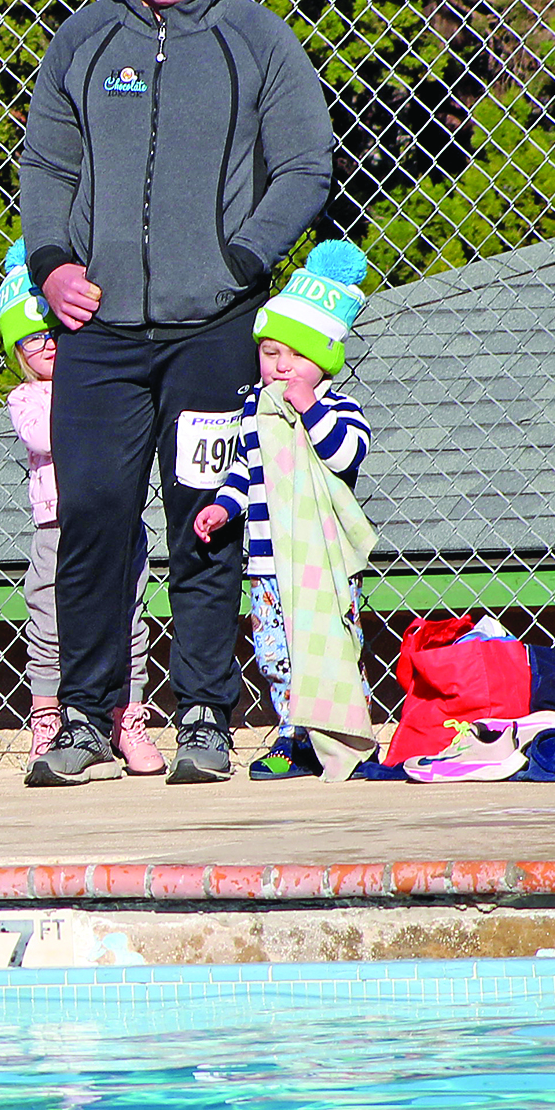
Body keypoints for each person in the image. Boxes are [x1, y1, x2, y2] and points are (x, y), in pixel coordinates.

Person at [17, 0, 334, 788]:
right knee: (95, 519)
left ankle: (203, 713)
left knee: (205, 518)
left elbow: (307, 163)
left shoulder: (256, 39)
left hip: (213, 331)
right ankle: (85, 716)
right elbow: (47, 165)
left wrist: (243, 258)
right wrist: (55, 266)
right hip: (100, 335)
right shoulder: (85, 38)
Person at [190, 242, 376, 780]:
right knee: (276, 653)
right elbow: (244, 474)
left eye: (295, 356)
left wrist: (309, 406)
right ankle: (294, 735)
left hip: (320, 561)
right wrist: (223, 509)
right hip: (268, 562)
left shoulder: (337, 408)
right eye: (271, 354)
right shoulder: (256, 412)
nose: (281, 367)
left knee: (335, 647)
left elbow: (345, 453)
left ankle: (346, 736)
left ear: (323, 359)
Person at [0, 242, 159, 771]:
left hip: (117, 521)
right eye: (31, 340)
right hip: (57, 527)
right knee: (48, 618)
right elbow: (48, 436)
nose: (45, 347)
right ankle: (49, 715)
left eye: (53, 335)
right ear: (17, 351)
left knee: (129, 614)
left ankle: (125, 714)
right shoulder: (28, 399)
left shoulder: (108, 388)